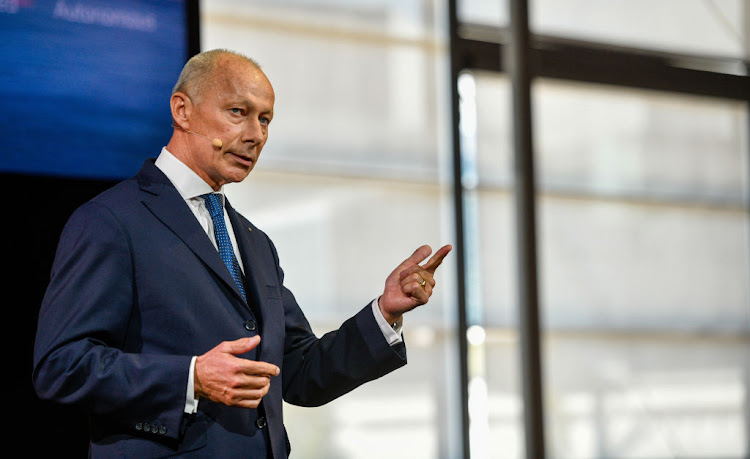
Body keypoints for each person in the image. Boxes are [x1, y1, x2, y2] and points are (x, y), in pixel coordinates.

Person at [32, 48, 451, 457]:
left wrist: (385, 312)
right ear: (182, 110)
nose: (256, 135)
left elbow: (302, 373)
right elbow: (61, 365)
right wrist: (191, 377)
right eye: (238, 112)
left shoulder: (254, 241)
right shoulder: (111, 220)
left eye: (265, 119)